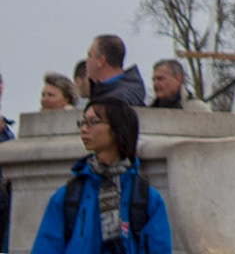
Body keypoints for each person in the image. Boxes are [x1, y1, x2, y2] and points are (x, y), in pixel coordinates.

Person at [30, 101, 172, 254]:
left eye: (93, 122)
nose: (84, 129)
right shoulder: (67, 196)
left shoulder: (146, 198)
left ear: (118, 128)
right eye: (82, 122)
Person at [82, 39, 144, 108]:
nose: (86, 61)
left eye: (89, 56)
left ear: (101, 61)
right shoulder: (105, 92)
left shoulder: (119, 98)